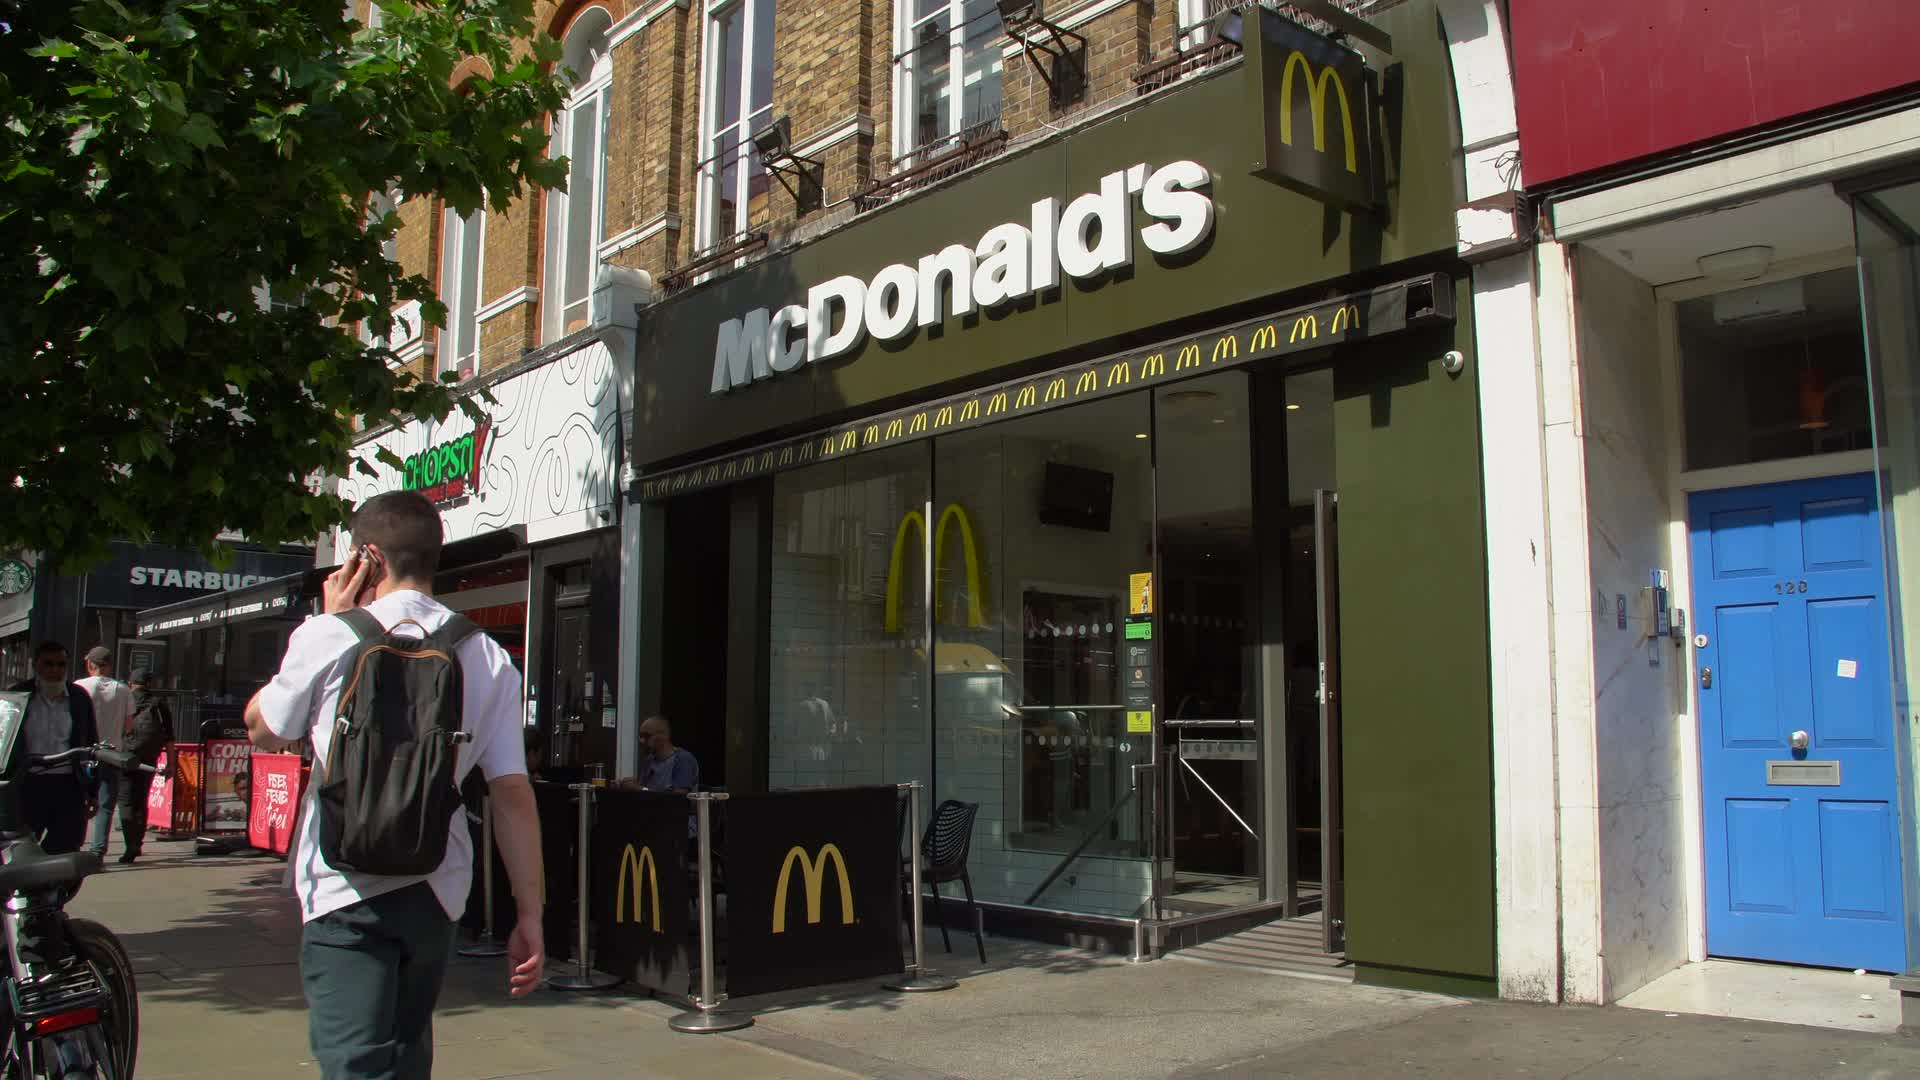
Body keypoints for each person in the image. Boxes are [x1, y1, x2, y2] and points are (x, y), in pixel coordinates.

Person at [243, 491, 545, 1079]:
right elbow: (510, 793)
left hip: (340, 883)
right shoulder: (486, 656)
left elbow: (263, 728)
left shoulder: (328, 636)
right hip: (435, 885)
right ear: (437, 555)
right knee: (408, 1055)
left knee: (355, 1063)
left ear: (367, 559)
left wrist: (326, 623)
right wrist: (529, 912)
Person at [8, 642, 99, 854]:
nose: (55, 670)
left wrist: (92, 790)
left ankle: (52, 886)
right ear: (36, 665)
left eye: (61, 665)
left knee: (66, 846)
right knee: (19, 848)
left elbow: (90, 744)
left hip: (68, 785)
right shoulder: (18, 695)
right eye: (48, 664)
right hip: (27, 784)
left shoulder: (79, 698)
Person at [76, 646, 132, 857]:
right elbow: (129, 725)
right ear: (109, 665)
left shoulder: (78, 687)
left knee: (78, 801)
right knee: (106, 805)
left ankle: (74, 845)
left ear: (90, 664)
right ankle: (98, 851)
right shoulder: (123, 689)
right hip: (111, 753)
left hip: (83, 754)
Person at [116, 667, 172, 864]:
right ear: (150, 684)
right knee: (142, 799)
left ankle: (129, 843)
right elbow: (169, 737)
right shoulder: (159, 704)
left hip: (124, 755)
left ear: (131, 684)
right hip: (148, 757)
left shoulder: (124, 700)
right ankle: (137, 843)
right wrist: (171, 764)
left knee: (126, 801)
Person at [635, 715, 698, 793]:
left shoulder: (683, 759)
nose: (641, 741)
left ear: (664, 735)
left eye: (647, 736)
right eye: (640, 736)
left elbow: (678, 799)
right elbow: (643, 788)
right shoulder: (649, 760)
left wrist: (640, 789)